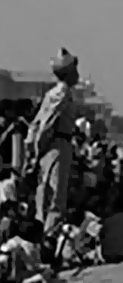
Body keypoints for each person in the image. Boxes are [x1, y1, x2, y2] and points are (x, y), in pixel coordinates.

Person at [25, 48, 81, 266]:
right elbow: (45, 125)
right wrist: (38, 152)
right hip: (55, 145)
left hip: (56, 145)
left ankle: (47, 245)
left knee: (50, 196)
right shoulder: (61, 93)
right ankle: (47, 248)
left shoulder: (57, 93)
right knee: (54, 199)